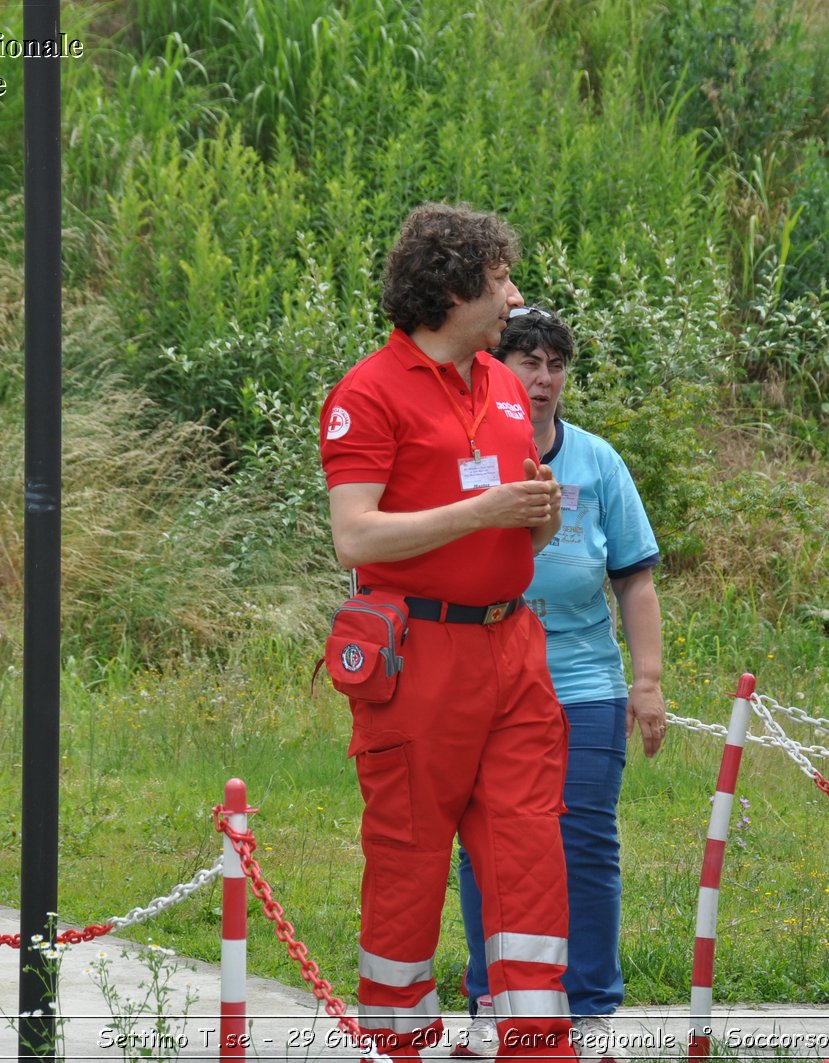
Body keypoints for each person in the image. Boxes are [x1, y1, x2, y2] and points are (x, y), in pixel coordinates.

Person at [318, 203, 577, 1062]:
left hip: (513, 648)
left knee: (530, 854)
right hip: (418, 656)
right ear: (456, 286)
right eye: (500, 277)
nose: (513, 294)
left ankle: (534, 1046)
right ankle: (402, 1046)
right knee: (409, 860)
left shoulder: (502, 383)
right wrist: (485, 511)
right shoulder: (367, 393)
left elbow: (512, 520)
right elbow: (356, 536)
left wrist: (530, 521)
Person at [453, 306, 665, 1063]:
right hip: (482, 682)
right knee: (487, 847)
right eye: (526, 361)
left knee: (581, 844)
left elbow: (634, 580)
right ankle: (491, 1002)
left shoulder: (599, 463)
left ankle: (591, 1006)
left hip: (581, 683)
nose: (541, 380)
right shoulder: (468, 452)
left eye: (555, 365)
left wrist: (647, 683)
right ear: (495, 367)